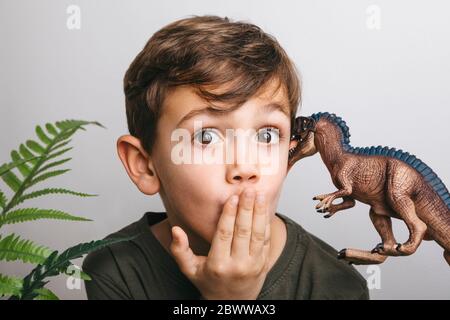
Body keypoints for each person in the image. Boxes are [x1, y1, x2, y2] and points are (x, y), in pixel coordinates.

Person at [82, 15, 369, 300]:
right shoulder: (115, 271)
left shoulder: (338, 286)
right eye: (206, 137)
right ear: (144, 166)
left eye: (266, 135)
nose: (245, 167)